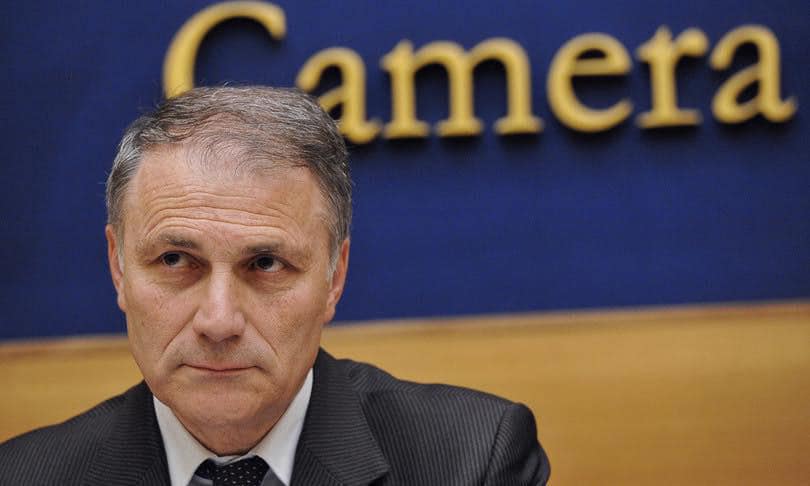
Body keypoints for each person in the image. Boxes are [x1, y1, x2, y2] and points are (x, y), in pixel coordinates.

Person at [0, 86, 550, 485]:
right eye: (175, 260)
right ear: (119, 268)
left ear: (334, 276)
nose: (218, 322)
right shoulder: (23, 476)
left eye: (265, 264)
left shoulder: (471, 459)